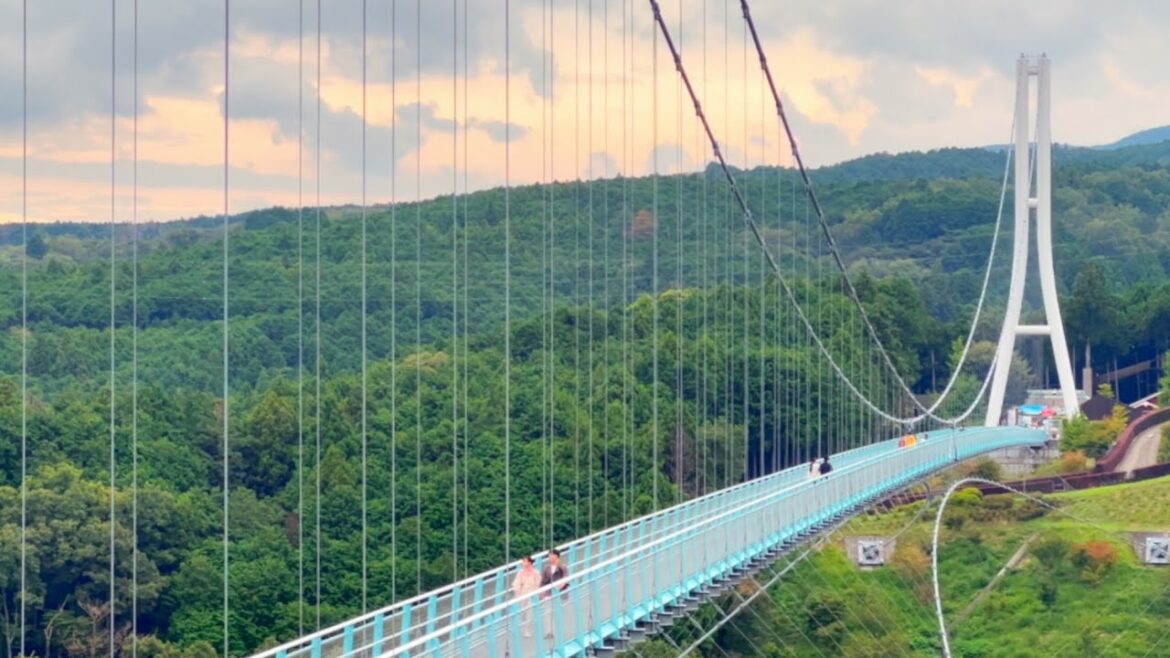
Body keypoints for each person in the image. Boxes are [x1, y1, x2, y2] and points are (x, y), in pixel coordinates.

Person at [540, 549, 569, 639]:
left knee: (556, 613)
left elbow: (565, 578)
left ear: (556, 556)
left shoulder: (562, 567)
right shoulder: (546, 568)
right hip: (548, 594)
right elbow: (543, 581)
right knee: (547, 613)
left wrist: (559, 587)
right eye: (549, 555)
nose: (549, 557)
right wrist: (541, 592)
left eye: (551, 555)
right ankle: (549, 632)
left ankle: (559, 632)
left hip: (558, 594)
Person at [510, 555, 541, 637]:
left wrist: (538, 594)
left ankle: (526, 629)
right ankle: (523, 628)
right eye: (523, 561)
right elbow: (516, 584)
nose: (524, 563)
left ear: (530, 562)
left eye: (525, 561)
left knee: (529, 611)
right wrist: (517, 594)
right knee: (522, 613)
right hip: (522, 594)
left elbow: (538, 584)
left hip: (532, 594)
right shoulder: (520, 572)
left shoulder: (535, 572)